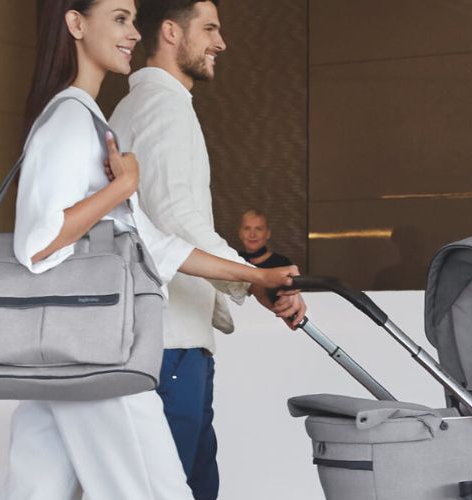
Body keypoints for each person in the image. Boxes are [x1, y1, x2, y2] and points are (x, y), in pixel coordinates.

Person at [2, 1, 302, 499]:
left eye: (132, 20)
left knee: (40, 490)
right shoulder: (84, 118)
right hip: (115, 348)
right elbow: (36, 244)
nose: (132, 34)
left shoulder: (103, 117)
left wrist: (256, 278)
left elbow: (153, 242)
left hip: (81, 347)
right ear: (76, 24)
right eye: (120, 19)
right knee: (165, 489)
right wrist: (122, 189)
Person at [109, 2, 307, 498]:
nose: (221, 43)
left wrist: (251, 282)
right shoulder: (165, 108)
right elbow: (180, 221)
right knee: (178, 487)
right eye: (211, 29)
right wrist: (254, 277)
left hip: (153, 338)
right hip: (171, 342)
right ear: (172, 32)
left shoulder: (131, 108)